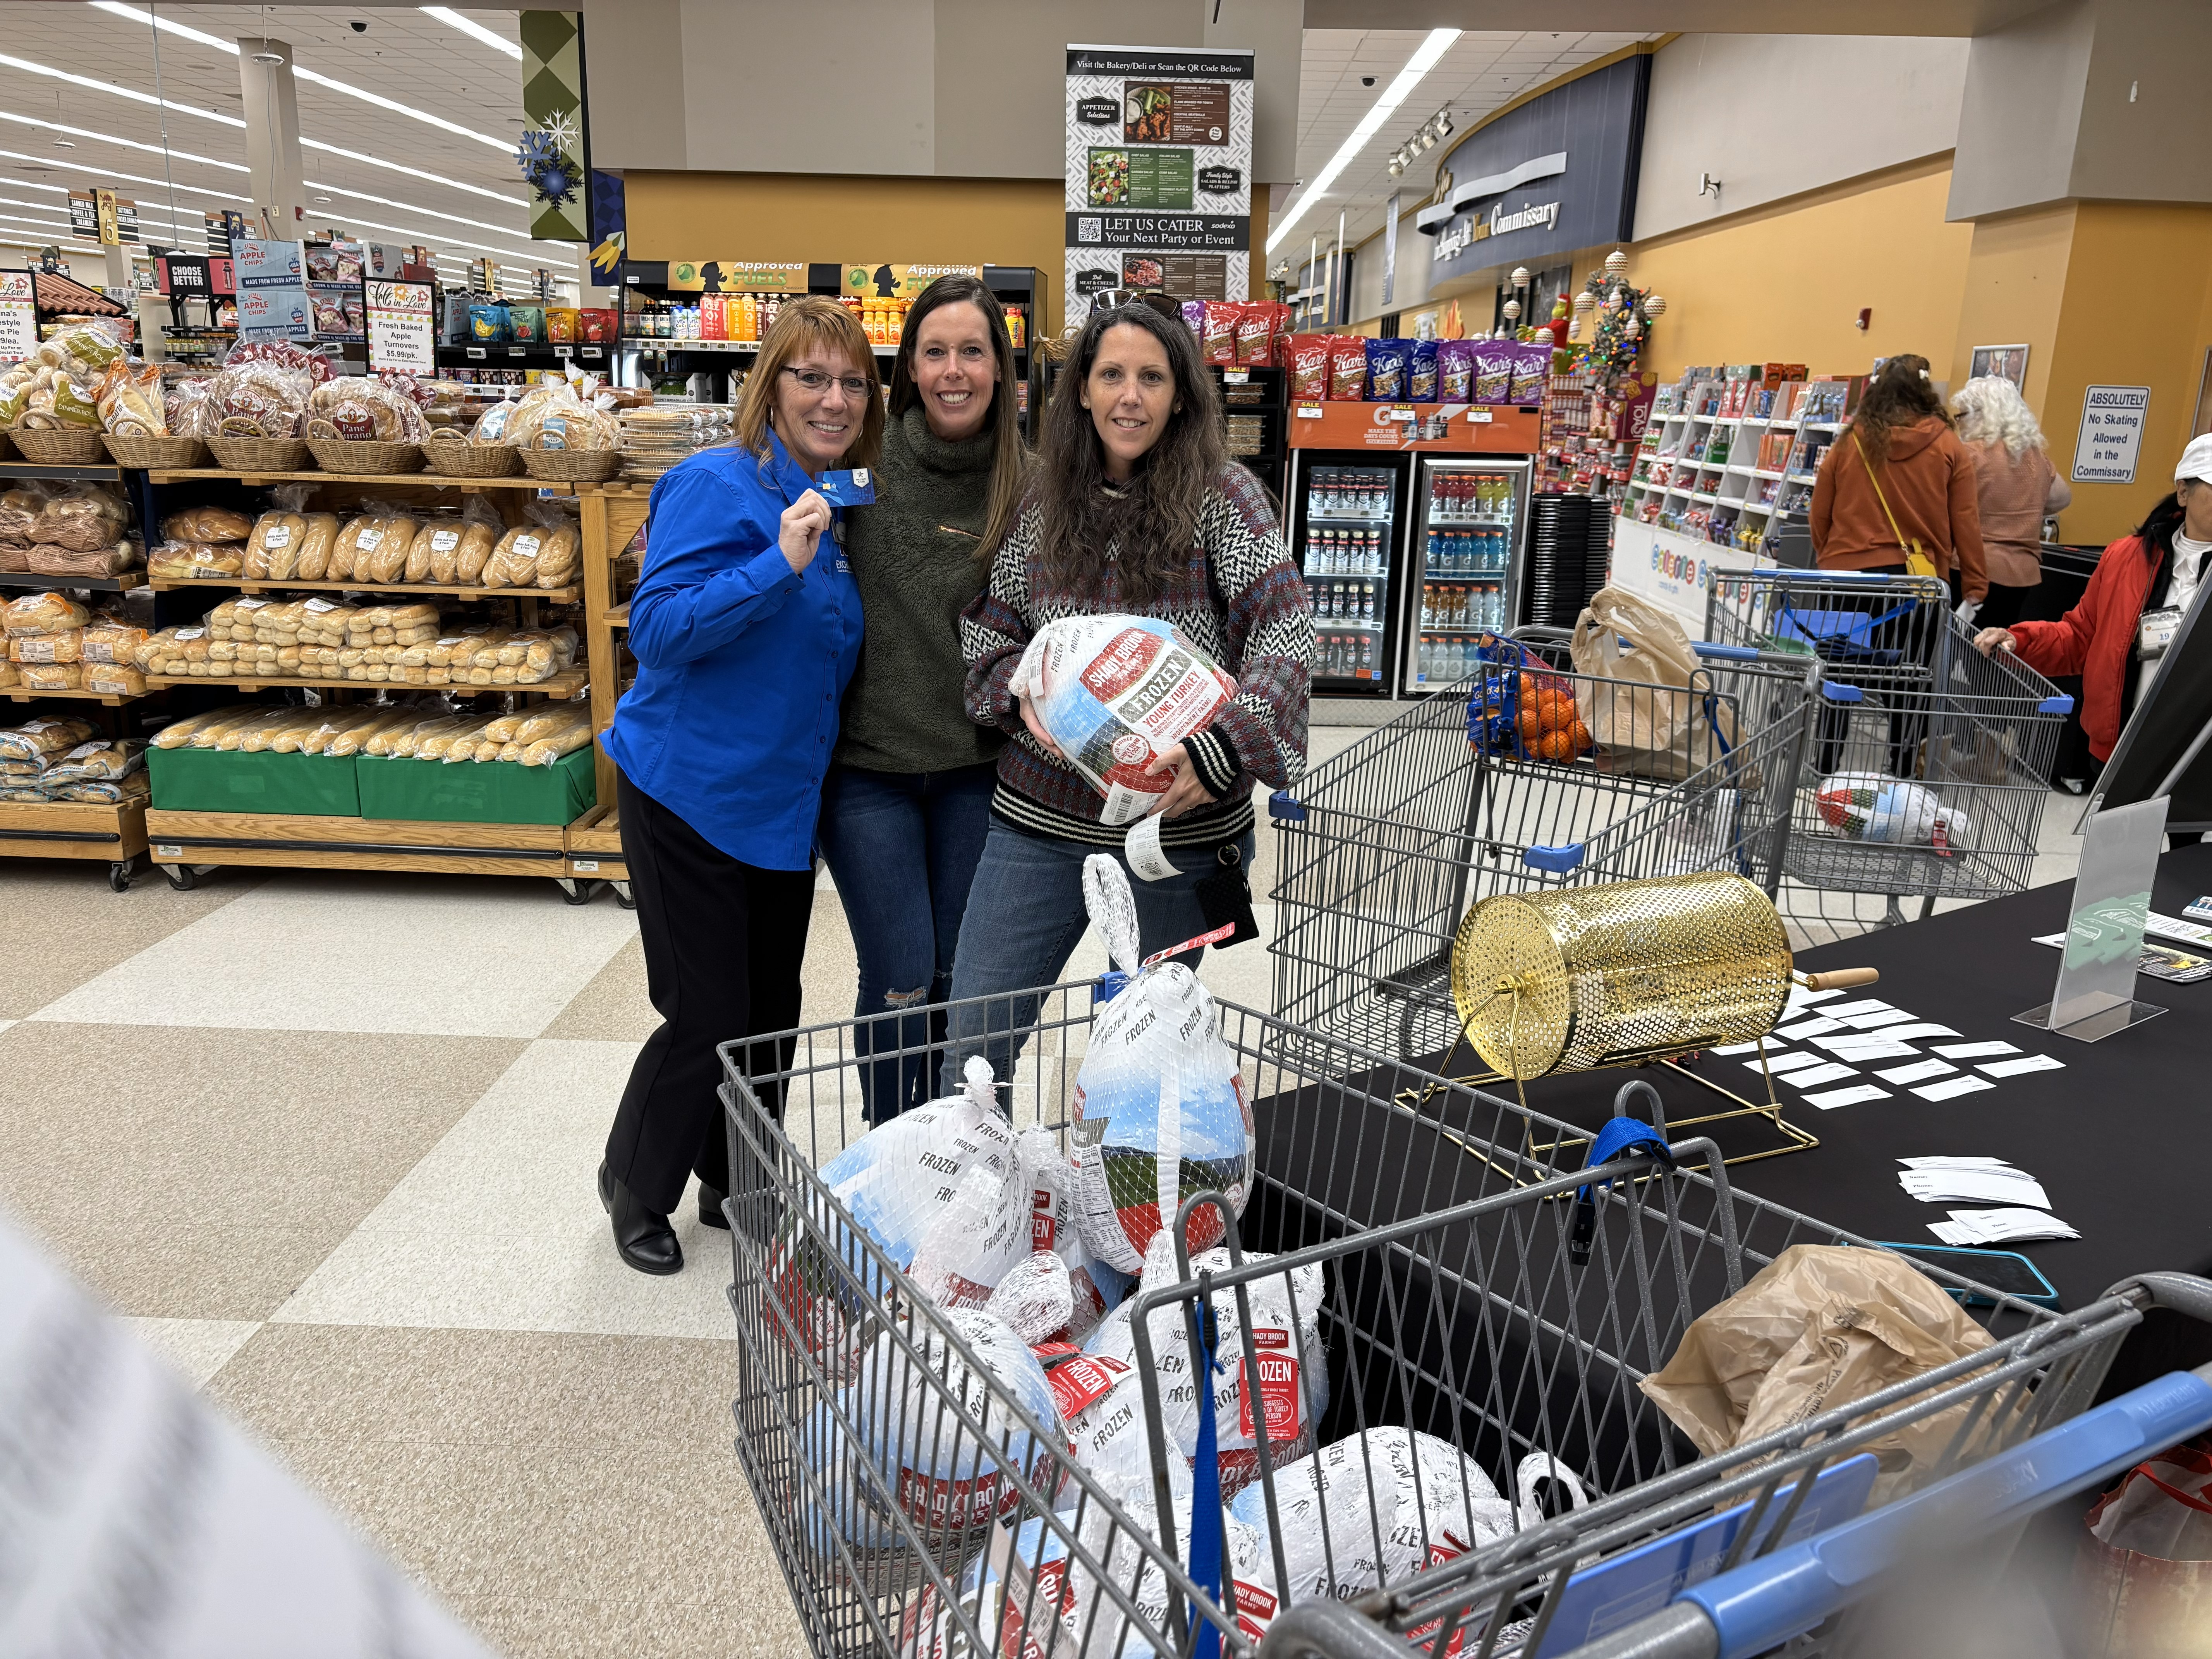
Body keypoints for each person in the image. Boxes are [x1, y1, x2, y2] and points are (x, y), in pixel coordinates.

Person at [943, 301, 1314, 1086]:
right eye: (1111, 374)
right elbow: (990, 628)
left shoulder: (1226, 498)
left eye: (1153, 377)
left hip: (1175, 833)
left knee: (1149, 1066)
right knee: (973, 1047)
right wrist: (1027, 699)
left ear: (1182, 394)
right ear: (1081, 390)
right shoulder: (1042, 502)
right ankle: (973, 1199)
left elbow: (1282, 631)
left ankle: (1130, 1211)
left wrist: (1218, 753)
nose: (1130, 397)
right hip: (1037, 821)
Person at [596, 296, 880, 1275]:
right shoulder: (716, 484)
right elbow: (658, 632)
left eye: (851, 381)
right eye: (811, 377)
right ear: (771, 386)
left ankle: (736, 1181)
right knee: (707, 1010)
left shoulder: (843, 501)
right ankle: (635, 1182)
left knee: (772, 1007)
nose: (833, 398)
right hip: (688, 790)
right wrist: (777, 565)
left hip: (779, 803)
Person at [816, 275, 1025, 1120]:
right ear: (908, 368)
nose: (953, 370)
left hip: (980, 770)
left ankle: (960, 1154)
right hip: (868, 770)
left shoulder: (1029, 482)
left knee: (960, 982)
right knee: (900, 974)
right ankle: (892, 1144)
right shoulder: (860, 466)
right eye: (934, 352)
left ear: (1001, 368)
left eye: (972, 351)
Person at [1976, 434, 2212, 784]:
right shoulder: (2126, 559)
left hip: (2200, 754)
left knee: (2192, 842)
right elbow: (2081, 636)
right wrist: (2019, 640)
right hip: (2123, 745)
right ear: (2183, 492)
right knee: (2119, 838)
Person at [1807, 354, 1986, 775]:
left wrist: (1835, 557)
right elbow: (1966, 521)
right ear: (1927, 392)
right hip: (1915, 585)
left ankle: (1826, 763)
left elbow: (1821, 513)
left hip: (1846, 579)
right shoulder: (1948, 445)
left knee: (1839, 672)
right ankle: (1903, 768)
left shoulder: (1852, 441)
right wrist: (1976, 585)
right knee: (1909, 678)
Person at [1951, 375, 2071, 631]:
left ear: (1982, 413)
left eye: (1961, 415)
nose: (1958, 423)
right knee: (1991, 652)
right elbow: (2062, 497)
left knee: (1952, 649)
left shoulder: (1969, 454)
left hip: (1969, 569)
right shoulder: (2036, 457)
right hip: (2021, 575)